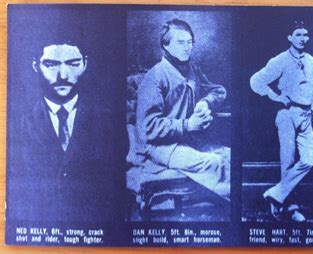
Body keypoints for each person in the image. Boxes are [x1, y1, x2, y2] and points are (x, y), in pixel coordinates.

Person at [10, 34, 122, 222]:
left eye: (73, 64)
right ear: (35, 66)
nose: (63, 75)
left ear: (85, 64)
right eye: (51, 65)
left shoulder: (109, 122)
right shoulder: (17, 125)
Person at [136, 19, 230, 201]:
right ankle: (236, 215)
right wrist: (188, 124)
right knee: (213, 163)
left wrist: (205, 103)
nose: (187, 48)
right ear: (166, 45)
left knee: (229, 156)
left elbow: (218, 91)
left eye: (189, 43)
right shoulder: (155, 76)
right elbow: (148, 128)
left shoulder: (192, 70)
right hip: (162, 146)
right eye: (180, 43)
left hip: (190, 139)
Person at [250, 21, 313, 222]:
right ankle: (291, 208)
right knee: (287, 163)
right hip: (287, 114)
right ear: (289, 37)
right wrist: (277, 97)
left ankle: (275, 194)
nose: (303, 38)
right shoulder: (280, 60)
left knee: (308, 160)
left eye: (305, 34)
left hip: (306, 116)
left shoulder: (311, 61)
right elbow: (255, 81)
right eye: (298, 34)